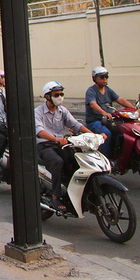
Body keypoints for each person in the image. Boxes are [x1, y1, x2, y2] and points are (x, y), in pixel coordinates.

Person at [36, 81, 100, 211]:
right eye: (56, 94)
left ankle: (74, 191)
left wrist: (94, 135)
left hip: (61, 145)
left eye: (61, 94)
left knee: (77, 159)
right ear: (47, 96)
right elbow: (39, 131)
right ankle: (55, 196)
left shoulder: (62, 110)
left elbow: (76, 125)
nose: (60, 97)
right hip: (44, 145)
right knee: (57, 161)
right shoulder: (38, 112)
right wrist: (56, 139)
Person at [85, 66, 135, 157]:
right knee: (106, 134)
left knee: (123, 130)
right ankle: (104, 158)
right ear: (94, 78)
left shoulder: (108, 90)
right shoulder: (91, 91)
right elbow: (92, 104)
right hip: (95, 121)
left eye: (106, 77)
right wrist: (104, 113)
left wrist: (133, 109)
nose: (104, 79)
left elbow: (120, 99)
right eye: (101, 77)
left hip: (108, 120)